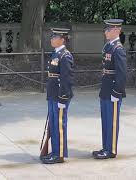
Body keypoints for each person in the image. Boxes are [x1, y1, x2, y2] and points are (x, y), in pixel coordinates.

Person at [92, 19, 127, 159]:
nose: (105, 31)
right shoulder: (108, 46)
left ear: (117, 30)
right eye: (106, 29)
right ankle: (105, 147)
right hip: (106, 88)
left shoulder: (118, 49)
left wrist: (117, 92)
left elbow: (122, 73)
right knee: (105, 120)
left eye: (109, 29)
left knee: (111, 121)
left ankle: (111, 150)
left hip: (113, 89)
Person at [40, 28, 74, 164]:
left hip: (60, 96)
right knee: (53, 124)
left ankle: (59, 154)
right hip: (53, 94)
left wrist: (63, 98)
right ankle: (54, 151)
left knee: (59, 125)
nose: (52, 39)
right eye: (52, 36)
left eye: (55, 37)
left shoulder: (65, 56)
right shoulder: (55, 54)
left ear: (62, 39)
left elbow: (67, 79)